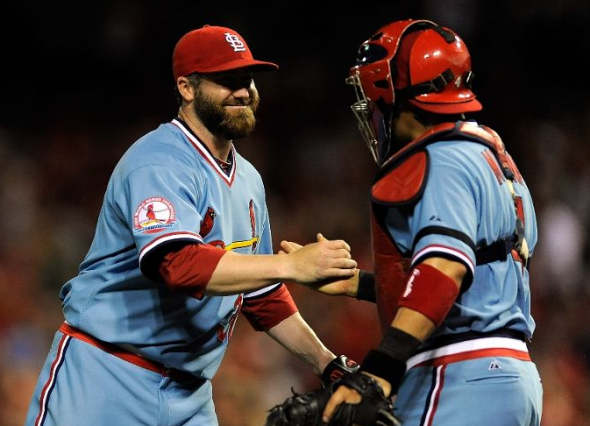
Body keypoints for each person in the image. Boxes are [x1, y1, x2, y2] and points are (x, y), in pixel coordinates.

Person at [25, 24, 359, 426]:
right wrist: (292, 265)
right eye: (226, 80)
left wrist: (326, 363)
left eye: (246, 79)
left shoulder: (249, 179)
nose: (242, 91)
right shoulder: (158, 159)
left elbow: (262, 295)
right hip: (107, 376)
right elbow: (178, 264)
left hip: (191, 394)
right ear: (186, 87)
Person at [281, 19, 543, 426]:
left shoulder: (441, 159)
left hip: (458, 372)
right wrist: (360, 285)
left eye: (374, 95)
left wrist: (378, 373)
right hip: (511, 374)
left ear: (394, 91)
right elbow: (474, 278)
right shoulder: (493, 155)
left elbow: (445, 269)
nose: (372, 109)